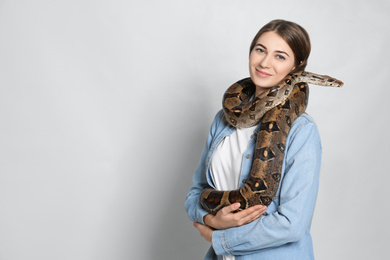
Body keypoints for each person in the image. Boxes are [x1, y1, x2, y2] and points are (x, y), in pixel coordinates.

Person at [185, 19, 322, 259]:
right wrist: (210, 218)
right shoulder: (223, 120)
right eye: (260, 50)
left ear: (297, 68)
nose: (264, 63)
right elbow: (197, 192)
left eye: (280, 56)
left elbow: (292, 223)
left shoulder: (302, 131)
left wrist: (218, 237)